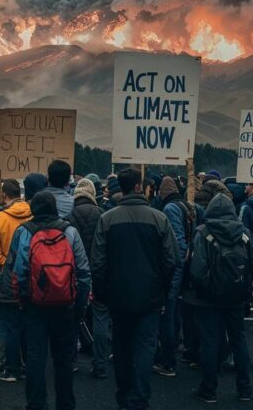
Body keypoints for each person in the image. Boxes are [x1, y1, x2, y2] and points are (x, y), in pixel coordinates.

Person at [90, 167, 179, 410]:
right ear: (139, 187)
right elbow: (171, 260)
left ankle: (124, 395)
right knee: (145, 347)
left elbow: (97, 262)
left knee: (121, 346)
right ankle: (139, 399)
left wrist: (101, 292)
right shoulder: (159, 219)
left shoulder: (107, 219)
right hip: (150, 297)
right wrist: (163, 289)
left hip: (118, 296)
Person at [8, 191, 91, 410]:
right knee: (63, 359)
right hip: (65, 304)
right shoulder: (70, 231)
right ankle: (65, 404)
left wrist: (21, 300)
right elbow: (83, 272)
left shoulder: (24, 231)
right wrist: (80, 306)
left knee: (36, 356)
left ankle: (37, 404)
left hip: (34, 304)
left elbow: (18, 271)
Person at [189, 191, 253, 404]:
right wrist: (247, 290)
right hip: (237, 298)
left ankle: (209, 389)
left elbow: (197, 271)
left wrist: (204, 290)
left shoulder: (202, 232)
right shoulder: (244, 233)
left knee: (210, 342)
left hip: (208, 299)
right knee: (239, 341)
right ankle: (245, 389)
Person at [0, 178, 33, 382]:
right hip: (31, 275)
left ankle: (2, 362)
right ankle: (25, 363)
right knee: (26, 321)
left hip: (6, 277)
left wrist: (9, 263)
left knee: (5, 322)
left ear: (4, 195)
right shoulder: (32, 215)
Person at [69, 177, 108, 379]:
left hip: (73, 273)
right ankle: (99, 362)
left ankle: (71, 361)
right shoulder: (102, 214)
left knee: (73, 318)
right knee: (100, 316)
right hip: (97, 270)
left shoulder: (69, 215)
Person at [155, 175, 191, 377]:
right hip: (189, 266)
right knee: (177, 307)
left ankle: (167, 360)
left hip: (177, 265)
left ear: (163, 192)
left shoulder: (169, 208)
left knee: (167, 310)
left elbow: (178, 242)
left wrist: (173, 264)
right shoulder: (188, 206)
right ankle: (177, 343)